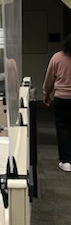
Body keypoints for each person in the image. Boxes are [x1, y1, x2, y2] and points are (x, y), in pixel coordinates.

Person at [43, 34, 71, 171]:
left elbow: (49, 79)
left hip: (62, 99)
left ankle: (66, 161)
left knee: (63, 128)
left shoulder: (57, 57)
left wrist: (46, 94)